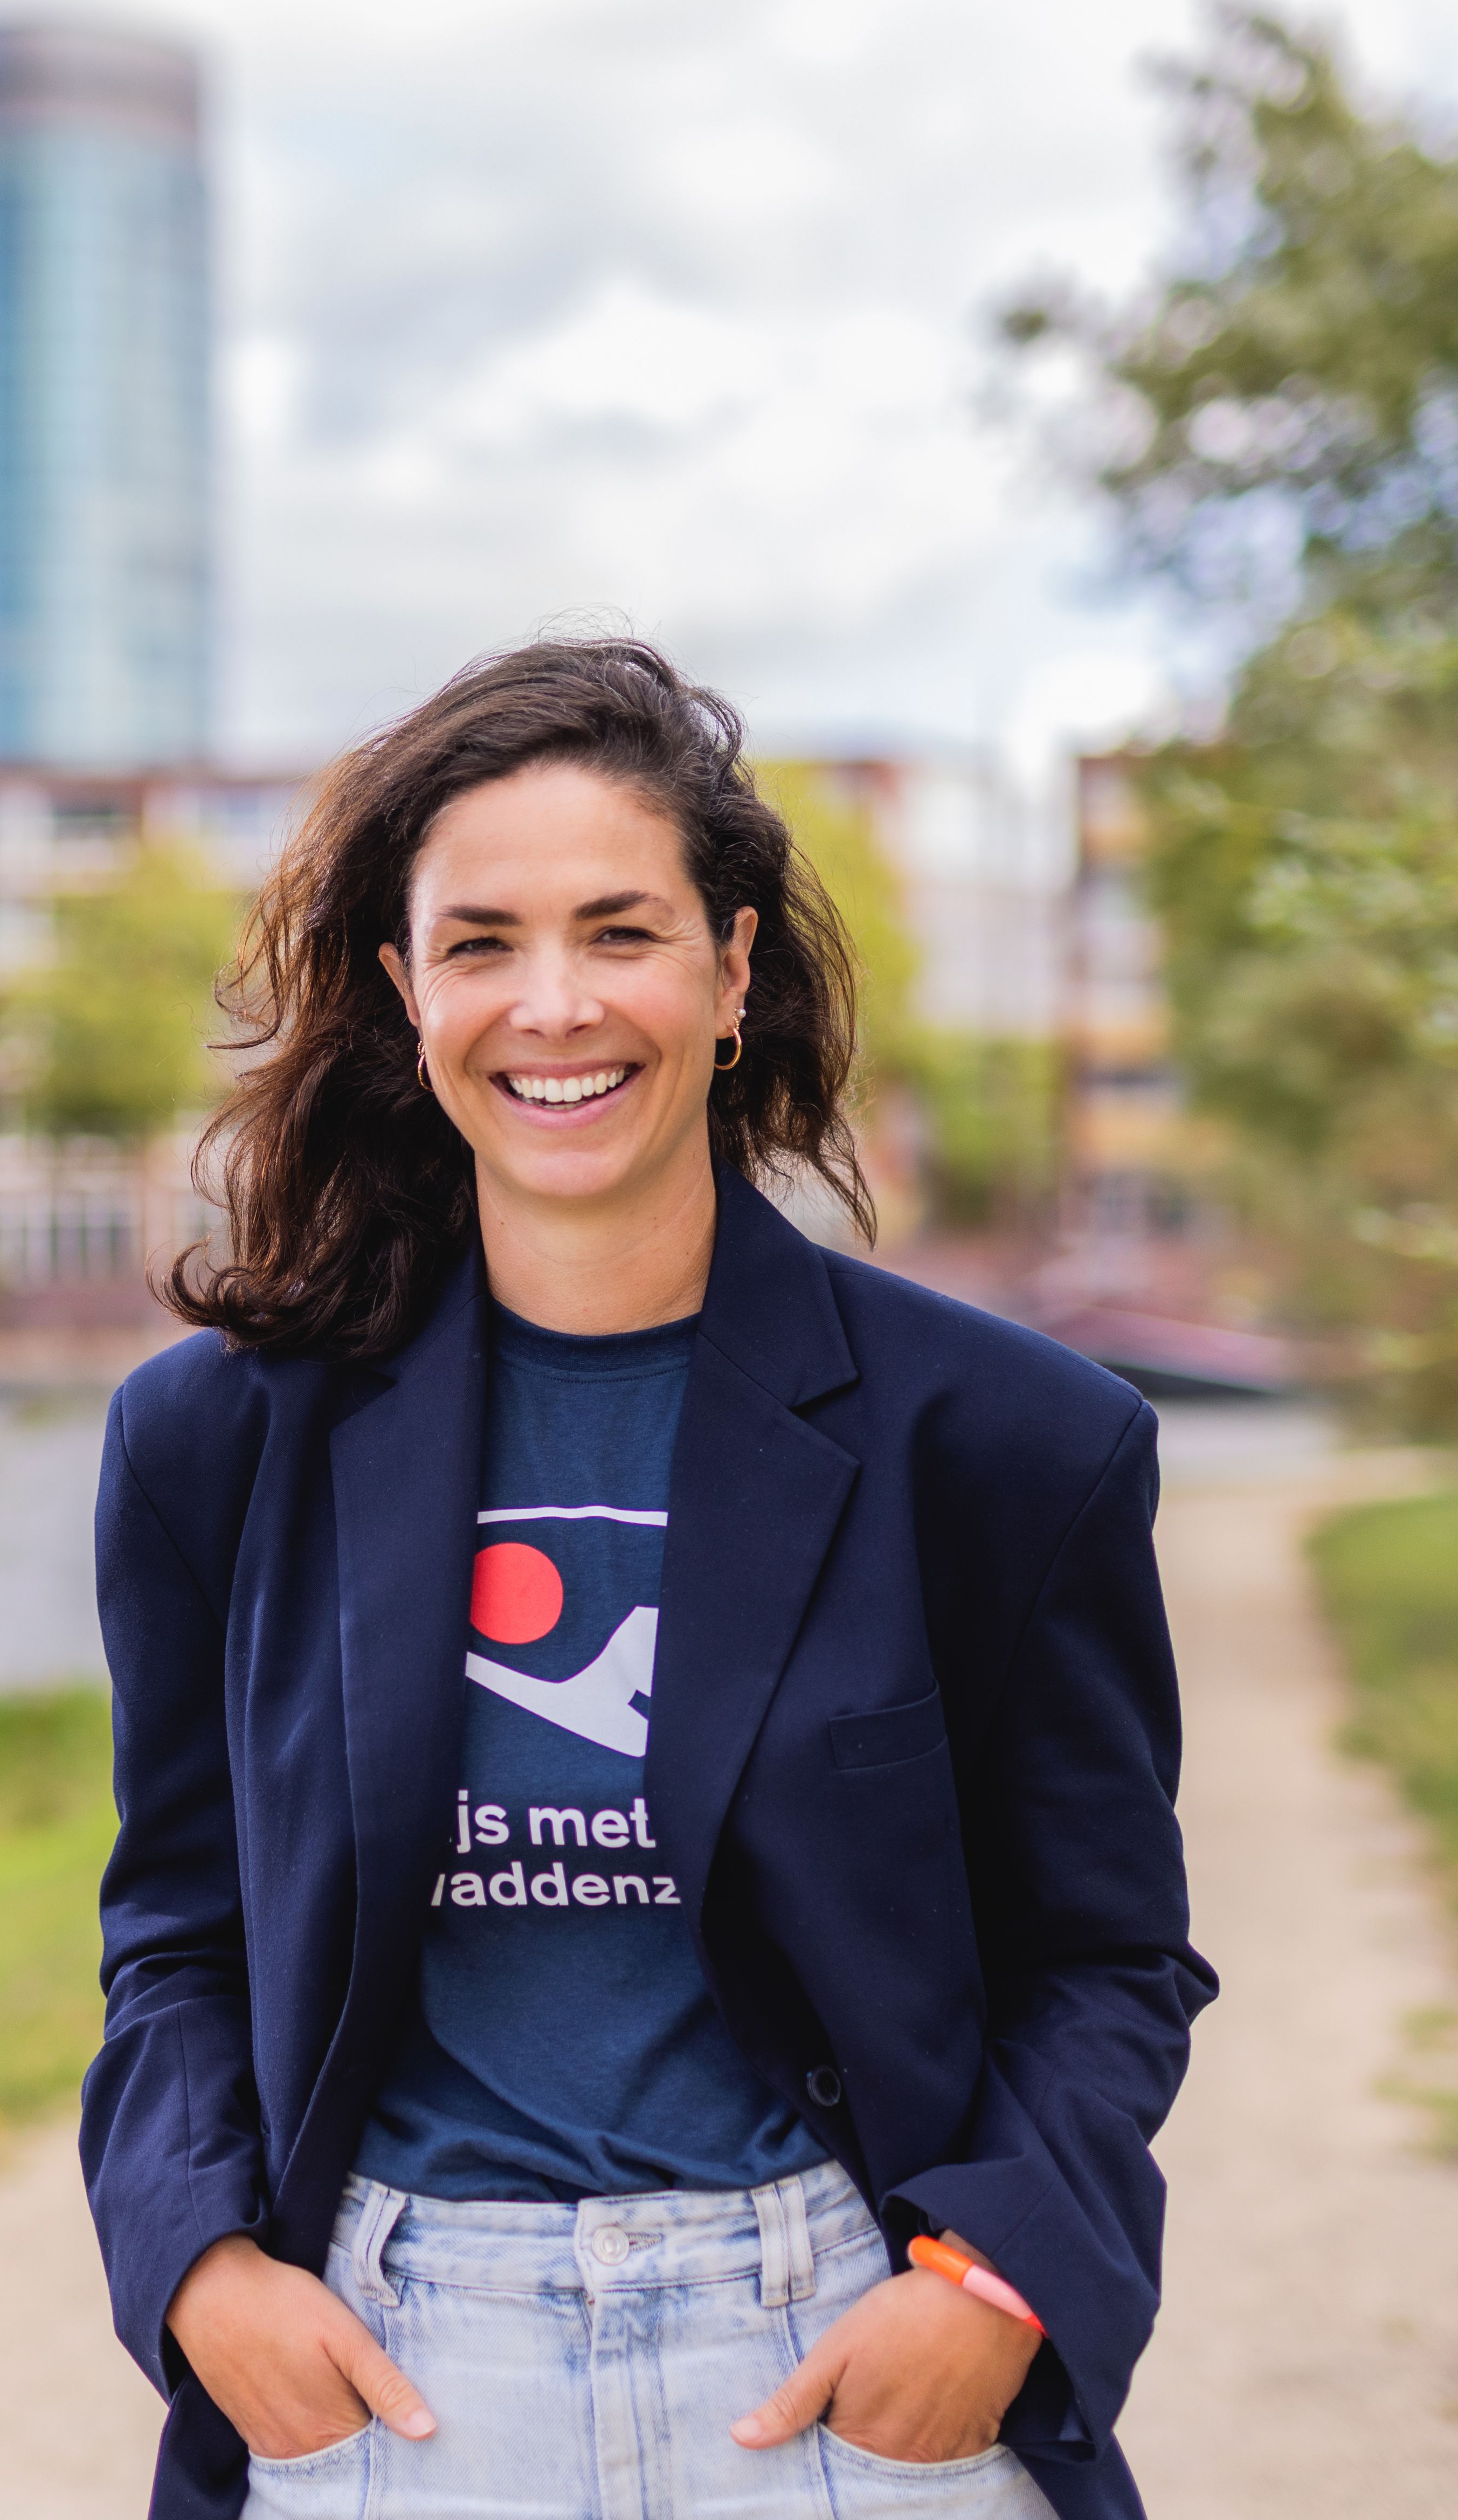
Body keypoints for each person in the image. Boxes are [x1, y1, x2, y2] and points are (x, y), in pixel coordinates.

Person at [81, 640, 1211, 2520]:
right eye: (478, 944)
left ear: (732, 971)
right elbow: (176, 1942)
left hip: (840, 2379)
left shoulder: (1007, 1442)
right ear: (400, 990)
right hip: (397, 2385)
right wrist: (201, 2270)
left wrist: (992, 2290)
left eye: (619, 931)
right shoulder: (216, 1448)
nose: (551, 1006)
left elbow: (1105, 1954)